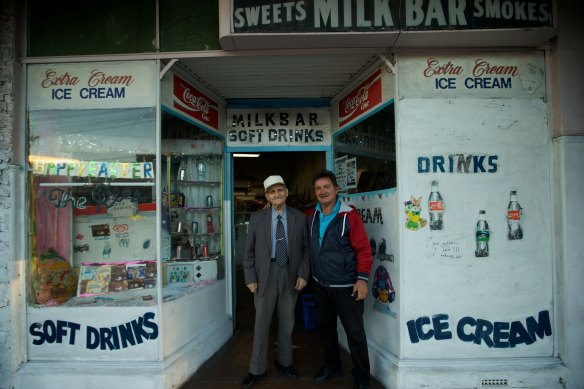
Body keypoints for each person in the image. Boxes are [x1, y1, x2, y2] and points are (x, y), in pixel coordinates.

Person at [306, 170, 373, 389]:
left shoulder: (349, 216)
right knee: (326, 330)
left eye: (326, 187)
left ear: (336, 189)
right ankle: (332, 367)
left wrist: (362, 279)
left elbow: (363, 249)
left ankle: (362, 378)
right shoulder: (311, 215)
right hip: (320, 284)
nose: (322, 191)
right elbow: (290, 220)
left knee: (355, 334)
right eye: (318, 188)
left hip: (346, 287)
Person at [241, 175, 310, 389]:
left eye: (280, 190)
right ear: (267, 196)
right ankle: (256, 368)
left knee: (287, 322)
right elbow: (249, 252)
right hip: (265, 275)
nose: (277, 194)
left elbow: (307, 250)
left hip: (290, 272)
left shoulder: (300, 217)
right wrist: (250, 278)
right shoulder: (257, 218)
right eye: (272, 192)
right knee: (261, 323)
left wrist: (303, 274)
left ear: (286, 192)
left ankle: (285, 362)